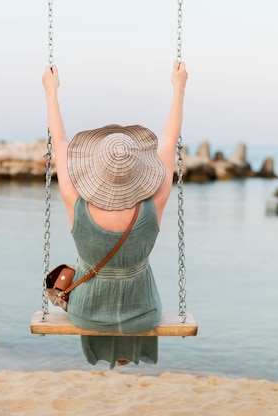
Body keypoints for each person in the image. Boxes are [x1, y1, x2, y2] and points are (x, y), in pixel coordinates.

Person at [42, 61, 188, 368]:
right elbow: (169, 142)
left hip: (87, 312)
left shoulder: (75, 200)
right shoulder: (154, 203)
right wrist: (179, 89)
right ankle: (124, 349)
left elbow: (61, 144)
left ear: (95, 167)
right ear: (139, 169)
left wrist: (51, 92)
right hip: (141, 314)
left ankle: (105, 345)